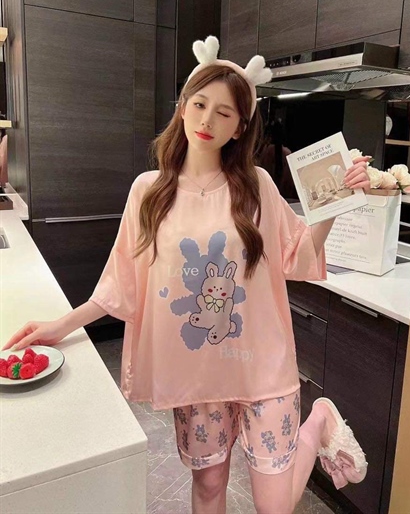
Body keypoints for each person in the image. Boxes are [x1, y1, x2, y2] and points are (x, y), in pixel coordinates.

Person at [3, 36, 371, 514]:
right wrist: (61, 324)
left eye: (224, 112)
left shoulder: (257, 186)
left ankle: (318, 421)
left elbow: (295, 257)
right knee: (210, 485)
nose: (207, 120)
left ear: (240, 127)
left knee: (275, 507)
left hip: (263, 365)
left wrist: (333, 206)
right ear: (182, 107)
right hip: (197, 374)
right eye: (199, 104)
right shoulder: (149, 192)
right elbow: (122, 281)